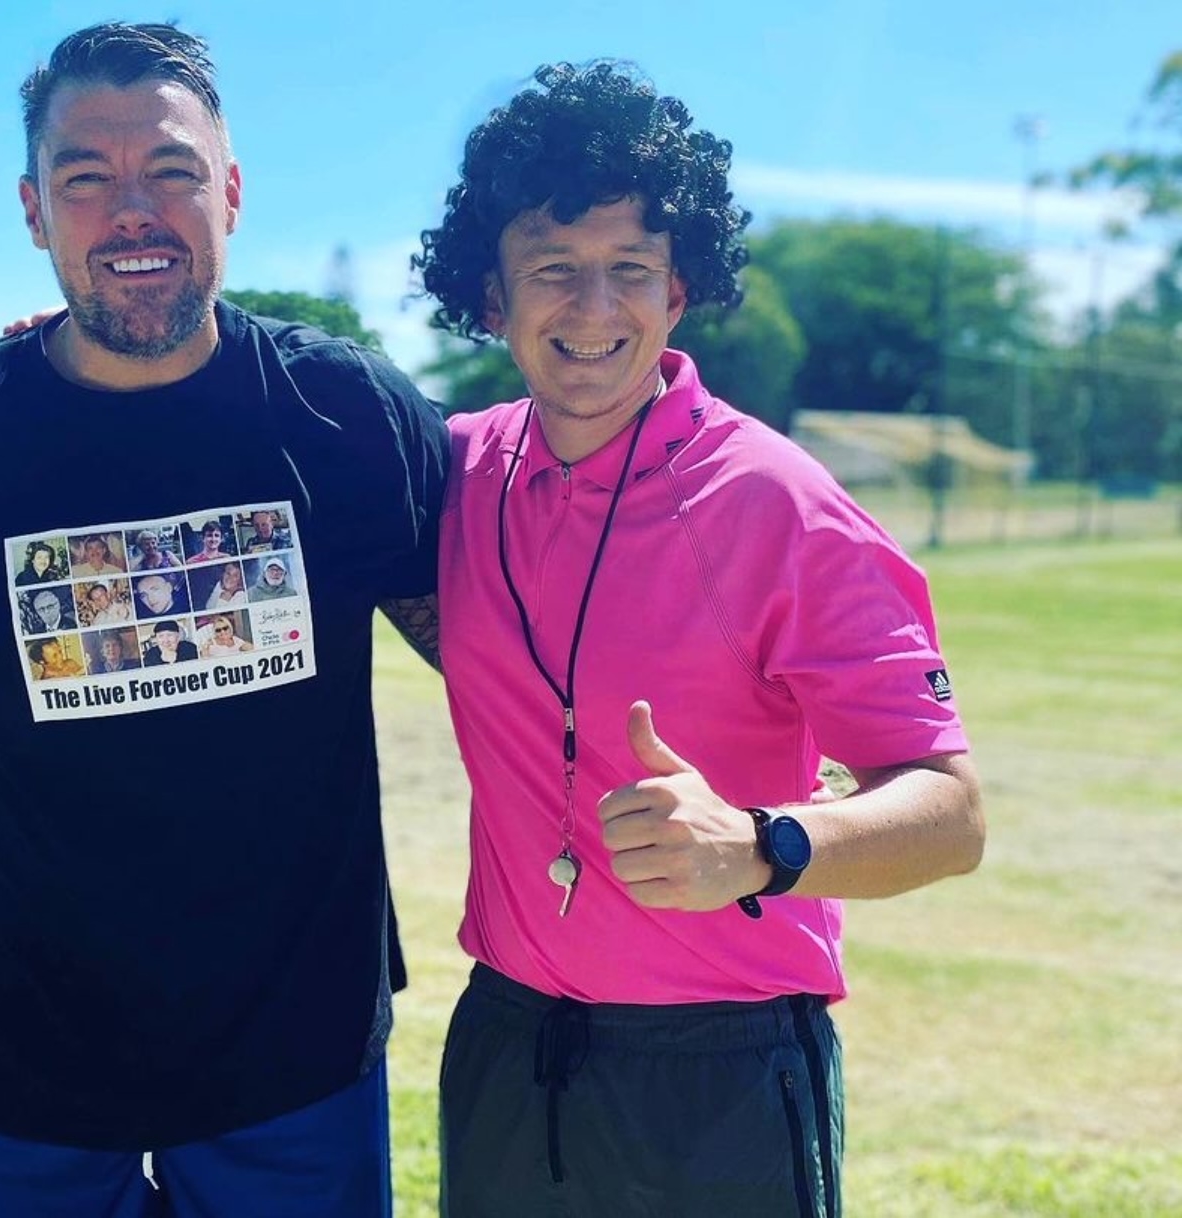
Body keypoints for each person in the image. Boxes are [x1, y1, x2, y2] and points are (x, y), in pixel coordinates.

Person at [0, 21, 447, 1218]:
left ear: (232, 193)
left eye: (173, 172)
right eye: (88, 178)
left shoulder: (344, 415)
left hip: (294, 1060)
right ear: (35, 209)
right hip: (30, 1066)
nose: (132, 210)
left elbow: (494, 656)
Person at [386, 62, 986, 1216]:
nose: (594, 309)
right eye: (553, 269)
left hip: (721, 1075)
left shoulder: (779, 502)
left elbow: (951, 815)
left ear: (680, 291)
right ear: (491, 296)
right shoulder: (452, 471)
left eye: (631, 271)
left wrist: (765, 846)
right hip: (510, 1048)